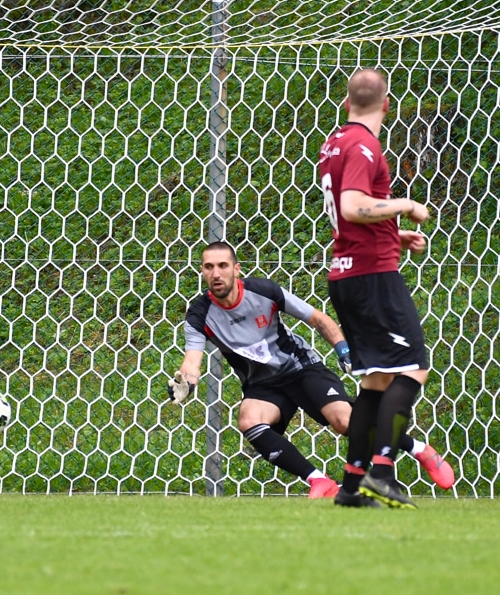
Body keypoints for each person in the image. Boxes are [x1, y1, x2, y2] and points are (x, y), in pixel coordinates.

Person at [169, 242, 454, 499]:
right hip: (262, 385)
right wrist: (185, 383)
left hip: (301, 368)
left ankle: (420, 450)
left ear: (236, 269)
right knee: (249, 419)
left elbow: (318, 319)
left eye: (222, 265)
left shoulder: (264, 291)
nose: (216, 273)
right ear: (202, 271)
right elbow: (192, 362)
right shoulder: (199, 315)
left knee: (344, 421)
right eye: (209, 267)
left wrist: (344, 351)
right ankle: (319, 481)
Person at [318, 68, 437, 509]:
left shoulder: (333, 142)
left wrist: (391, 234)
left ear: (346, 103)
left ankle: (351, 487)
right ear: (387, 105)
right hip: (371, 277)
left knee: (376, 381)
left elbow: (349, 212)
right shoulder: (364, 145)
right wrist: (406, 205)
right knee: (414, 368)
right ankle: (382, 473)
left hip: (348, 272)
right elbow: (352, 206)